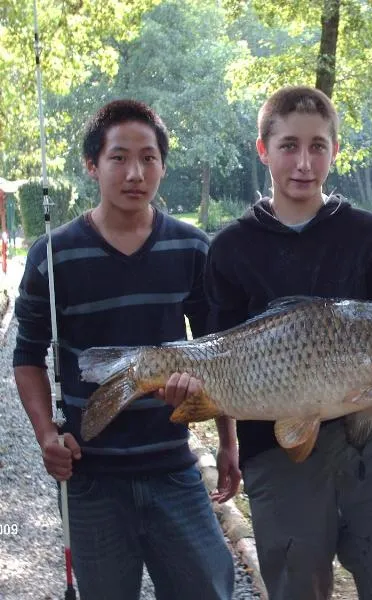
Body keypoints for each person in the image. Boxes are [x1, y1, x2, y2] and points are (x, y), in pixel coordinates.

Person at [165, 85, 372, 600]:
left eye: (318, 146)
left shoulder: (369, 235)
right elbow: (218, 354)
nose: (304, 162)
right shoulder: (230, 247)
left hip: (368, 439)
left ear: (335, 150)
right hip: (273, 446)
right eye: (289, 145)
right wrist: (227, 443)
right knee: (297, 587)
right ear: (263, 150)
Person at [13, 99, 238, 600]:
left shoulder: (193, 248)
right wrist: (47, 434)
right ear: (93, 165)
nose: (135, 172)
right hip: (91, 475)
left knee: (209, 588)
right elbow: (27, 356)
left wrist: (227, 441)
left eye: (149, 158)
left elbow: (218, 350)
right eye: (118, 157)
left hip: (173, 466)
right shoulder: (54, 255)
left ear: (162, 164)